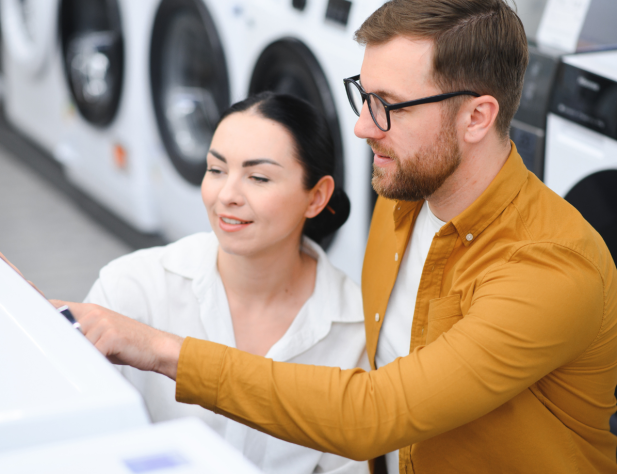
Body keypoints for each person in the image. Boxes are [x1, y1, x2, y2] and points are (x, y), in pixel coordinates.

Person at [51, 1, 617, 473]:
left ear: (476, 117)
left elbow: (373, 416)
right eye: (363, 95)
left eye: (388, 107)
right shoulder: (403, 199)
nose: (362, 126)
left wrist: (159, 348)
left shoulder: (550, 266)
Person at [81, 92, 369, 474]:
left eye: (259, 177)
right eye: (216, 170)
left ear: (316, 197)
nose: (227, 195)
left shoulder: (355, 333)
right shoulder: (131, 288)